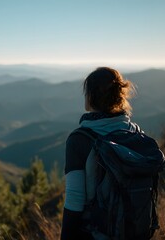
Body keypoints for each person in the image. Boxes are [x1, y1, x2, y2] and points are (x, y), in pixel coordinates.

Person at [61, 67, 140, 239]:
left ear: (91, 96)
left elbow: (75, 199)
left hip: (94, 232)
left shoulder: (80, 140)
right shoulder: (134, 132)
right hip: (132, 228)